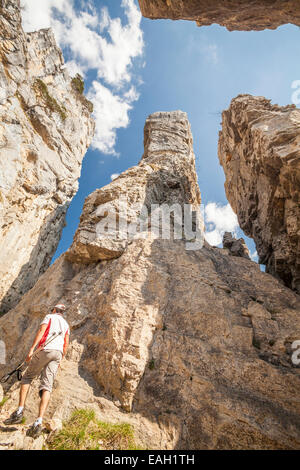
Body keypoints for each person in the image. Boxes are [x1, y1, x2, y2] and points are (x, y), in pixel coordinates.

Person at [4, 304, 70, 437]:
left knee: (27, 378)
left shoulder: (49, 317)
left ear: (54, 310)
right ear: (62, 313)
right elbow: (66, 343)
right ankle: (38, 422)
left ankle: (19, 411)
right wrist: (61, 358)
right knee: (47, 386)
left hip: (45, 349)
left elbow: (41, 331)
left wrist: (32, 349)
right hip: (57, 353)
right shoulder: (66, 324)